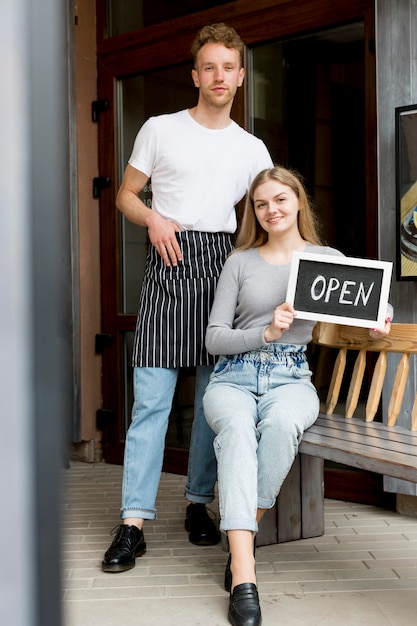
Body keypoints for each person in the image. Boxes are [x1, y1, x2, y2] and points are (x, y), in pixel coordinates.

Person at [101, 23, 273, 573]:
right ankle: (133, 522)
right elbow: (125, 193)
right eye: (210, 67)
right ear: (194, 74)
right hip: (169, 264)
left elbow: (272, 215)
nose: (219, 76)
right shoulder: (160, 129)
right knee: (151, 400)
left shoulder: (252, 148)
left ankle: (198, 503)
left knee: (209, 405)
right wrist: (151, 217)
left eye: (229, 67)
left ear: (241, 77)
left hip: (227, 269)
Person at [203, 166, 392, 626]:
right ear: (255, 211)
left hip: (291, 378)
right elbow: (213, 338)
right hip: (233, 376)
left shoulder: (324, 257)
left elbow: (368, 299)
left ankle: (238, 543)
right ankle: (245, 576)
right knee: (236, 433)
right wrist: (264, 333)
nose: (271, 210)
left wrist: (380, 314)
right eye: (261, 204)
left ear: (298, 202)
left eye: (280, 200)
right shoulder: (240, 262)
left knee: (284, 425)